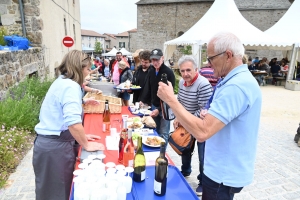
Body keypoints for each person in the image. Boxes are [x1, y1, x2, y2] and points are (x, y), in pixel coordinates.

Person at [157, 32, 262, 200]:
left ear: (228, 55)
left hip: (222, 173)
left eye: (211, 58)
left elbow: (203, 132)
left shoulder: (236, 86)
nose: (209, 64)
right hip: (221, 168)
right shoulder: (234, 80)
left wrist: (170, 100)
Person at [33, 50, 105, 200]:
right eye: (87, 69)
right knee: (58, 193)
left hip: (50, 145)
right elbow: (73, 123)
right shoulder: (70, 86)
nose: (88, 72)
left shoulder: (62, 81)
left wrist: (82, 103)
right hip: (55, 148)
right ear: (78, 68)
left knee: (51, 191)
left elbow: (60, 106)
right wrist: (86, 144)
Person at [175, 55, 213, 196]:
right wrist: (178, 117)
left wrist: (185, 119)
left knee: (203, 156)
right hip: (187, 122)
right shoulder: (181, 83)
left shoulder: (203, 84)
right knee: (185, 148)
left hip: (201, 125)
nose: (185, 74)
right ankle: (185, 171)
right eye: (182, 71)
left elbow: (204, 109)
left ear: (196, 69)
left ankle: (203, 182)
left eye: (188, 70)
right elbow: (179, 102)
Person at [140, 48, 175, 145]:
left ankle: (162, 155)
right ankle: (155, 152)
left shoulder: (168, 72)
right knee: (154, 130)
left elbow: (170, 96)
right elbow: (149, 87)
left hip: (165, 108)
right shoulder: (151, 71)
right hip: (154, 105)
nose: (155, 62)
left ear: (162, 58)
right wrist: (143, 100)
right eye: (153, 60)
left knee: (163, 133)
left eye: (157, 60)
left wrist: (159, 109)